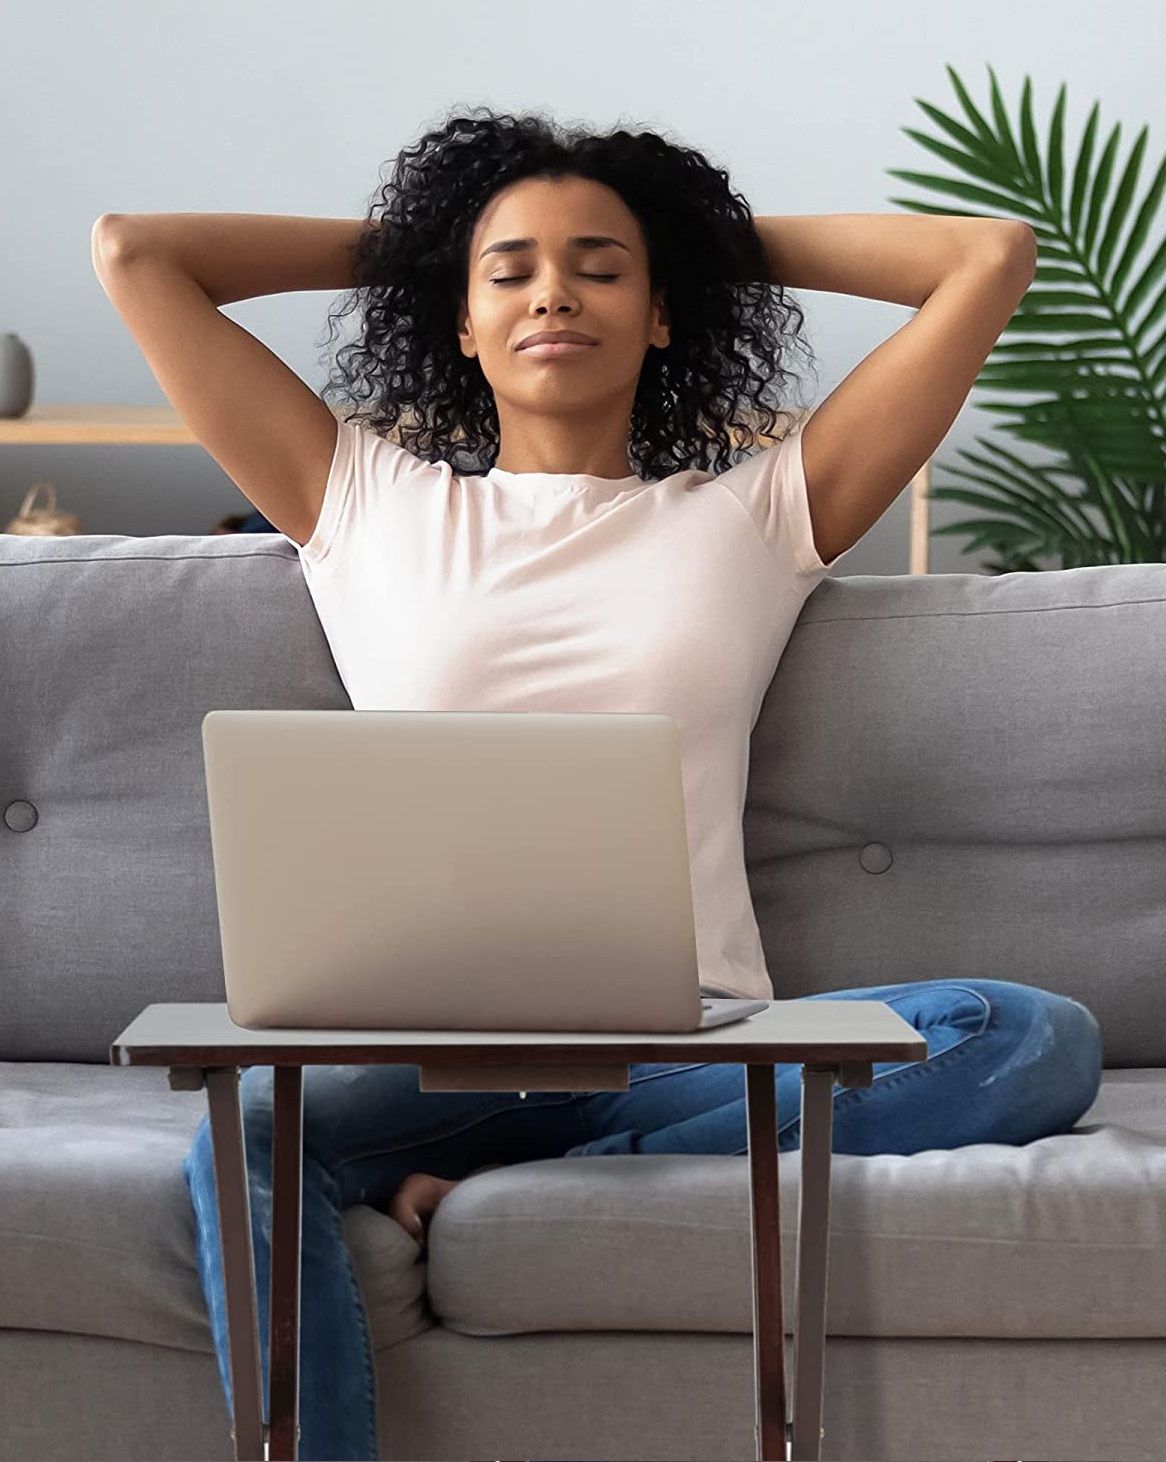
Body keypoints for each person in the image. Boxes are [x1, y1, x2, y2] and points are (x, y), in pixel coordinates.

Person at [100, 105, 1102, 1460]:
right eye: (507, 271)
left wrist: (688, 233)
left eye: (601, 265)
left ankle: (538, 1180)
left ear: (664, 312)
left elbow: (984, 255)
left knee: (1028, 1034)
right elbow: (138, 252)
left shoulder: (757, 514)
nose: (553, 292)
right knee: (247, 1138)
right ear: (456, 320)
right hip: (424, 1051)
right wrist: (440, 240)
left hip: (693, 1041)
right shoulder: (358, 498)